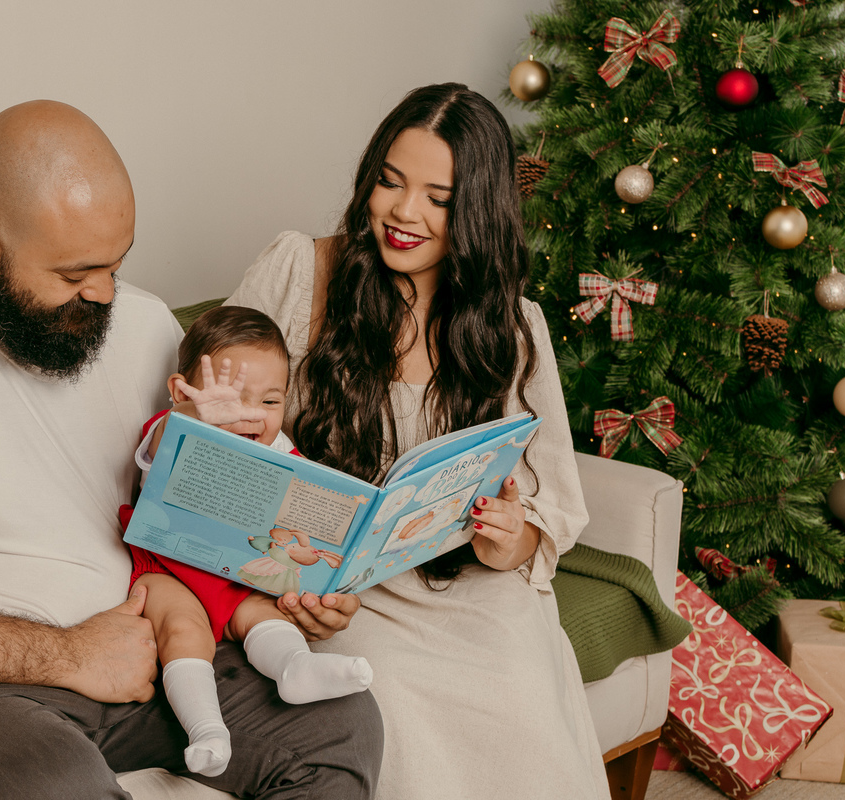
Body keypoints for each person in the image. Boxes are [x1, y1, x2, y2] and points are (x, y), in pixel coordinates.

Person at [0, 100, 382, 800]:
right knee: (53, 786)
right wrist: (66, 655)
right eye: (73, 276)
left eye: (117, 265)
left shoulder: (143, 324)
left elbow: (202, 500)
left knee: (339, 724)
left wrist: (293, 584)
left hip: (157, 650)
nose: (104, 294)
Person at [227, 83, 611, 799]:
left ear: (479, 212)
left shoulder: (513, 326)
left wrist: (512, 538)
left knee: (523, 688)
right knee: (394, 696)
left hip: (466, 584)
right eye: (390, 182)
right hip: (334, 585)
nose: (404, 213)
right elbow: (211, 426)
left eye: (439, 198)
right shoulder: (300, 271)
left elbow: (549, 509)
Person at [121, 305, 372, 778]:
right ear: (181, 392)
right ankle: (206, 730)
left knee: (264, 614)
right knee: (182, 628)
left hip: (238, 569)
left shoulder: (281, 450)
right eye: (233, 399)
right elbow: (159, 445)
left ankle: (294, 668)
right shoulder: (173, 427)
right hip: (170, 565)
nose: (251, 415)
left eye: (270, 402)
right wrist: (194, 415)